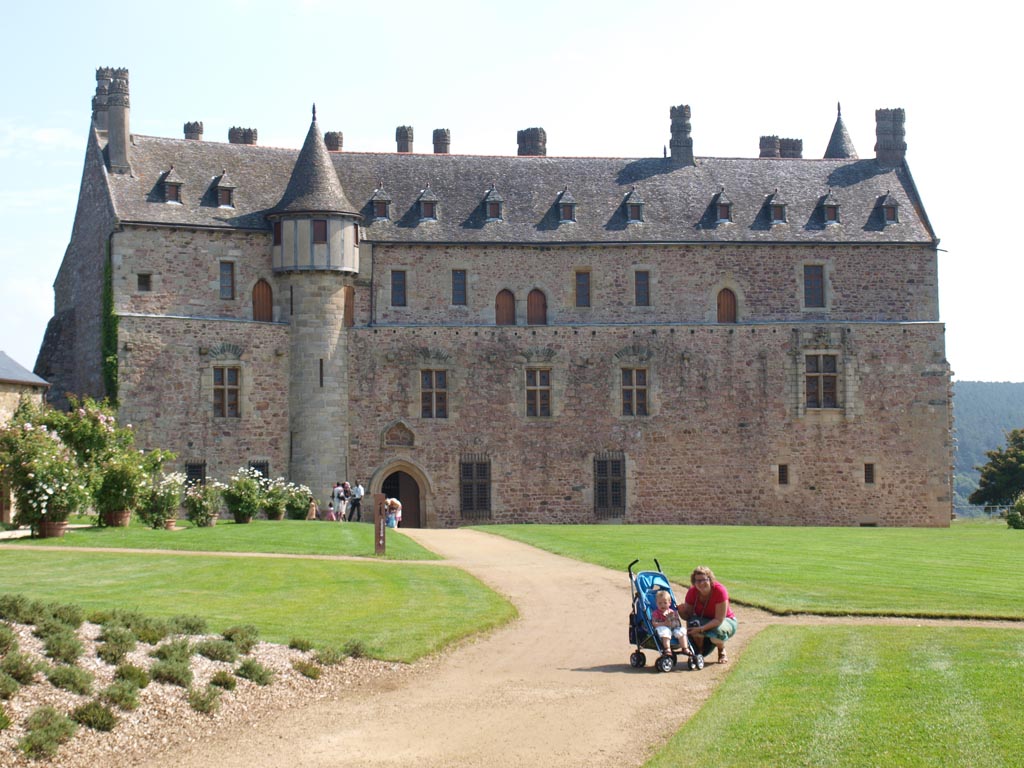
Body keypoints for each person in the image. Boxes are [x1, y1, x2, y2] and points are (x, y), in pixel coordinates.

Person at [680, 565, 737, 664]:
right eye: (697, 580)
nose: (701, 583)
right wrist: (680, 611)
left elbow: (719, 619)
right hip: (703, 620)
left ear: (710, 579)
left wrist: (701, 629)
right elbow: (687, 616)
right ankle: (700, 653)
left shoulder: (720, 591)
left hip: (725, 621)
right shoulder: (692, 592)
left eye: (704, 580)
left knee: (718, 632)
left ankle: (721, 649)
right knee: (693, 624)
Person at [650, 589, 685, 656]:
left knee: (681, 630)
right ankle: (667, 649)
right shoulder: (656, 613)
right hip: (662, 629)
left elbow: (677, 622)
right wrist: (664, 623)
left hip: (673, 629)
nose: (662, 605)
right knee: (665, 631)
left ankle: (685, 648)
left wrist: (673, 620)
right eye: (660, 603)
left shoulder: (672, 612)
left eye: (665, 603)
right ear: (656, 603)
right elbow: (654, 624)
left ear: (669, 603)